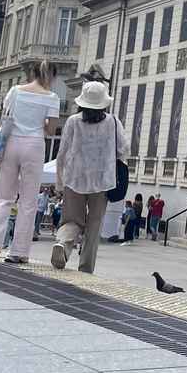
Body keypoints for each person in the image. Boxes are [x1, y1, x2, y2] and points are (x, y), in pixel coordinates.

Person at [0, 61, 60, 265]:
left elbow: (6, 117)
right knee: (28, 200)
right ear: (51, 77)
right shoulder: (52, 98)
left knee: (3, 197)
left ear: (30, 73)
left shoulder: (15, 91)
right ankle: (18, 251)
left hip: (11, 142)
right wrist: (38, 124)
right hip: (34, 146)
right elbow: (51, 131)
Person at [52, 81, 126, 273]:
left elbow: (62, 154)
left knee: (71, 220)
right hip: (102, 182)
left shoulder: (73, 121)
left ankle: (64, 244)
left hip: (74, 179)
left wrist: (60, 183)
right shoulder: (113, 122)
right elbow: (123, 149)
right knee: (94, 226)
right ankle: (86, 268)